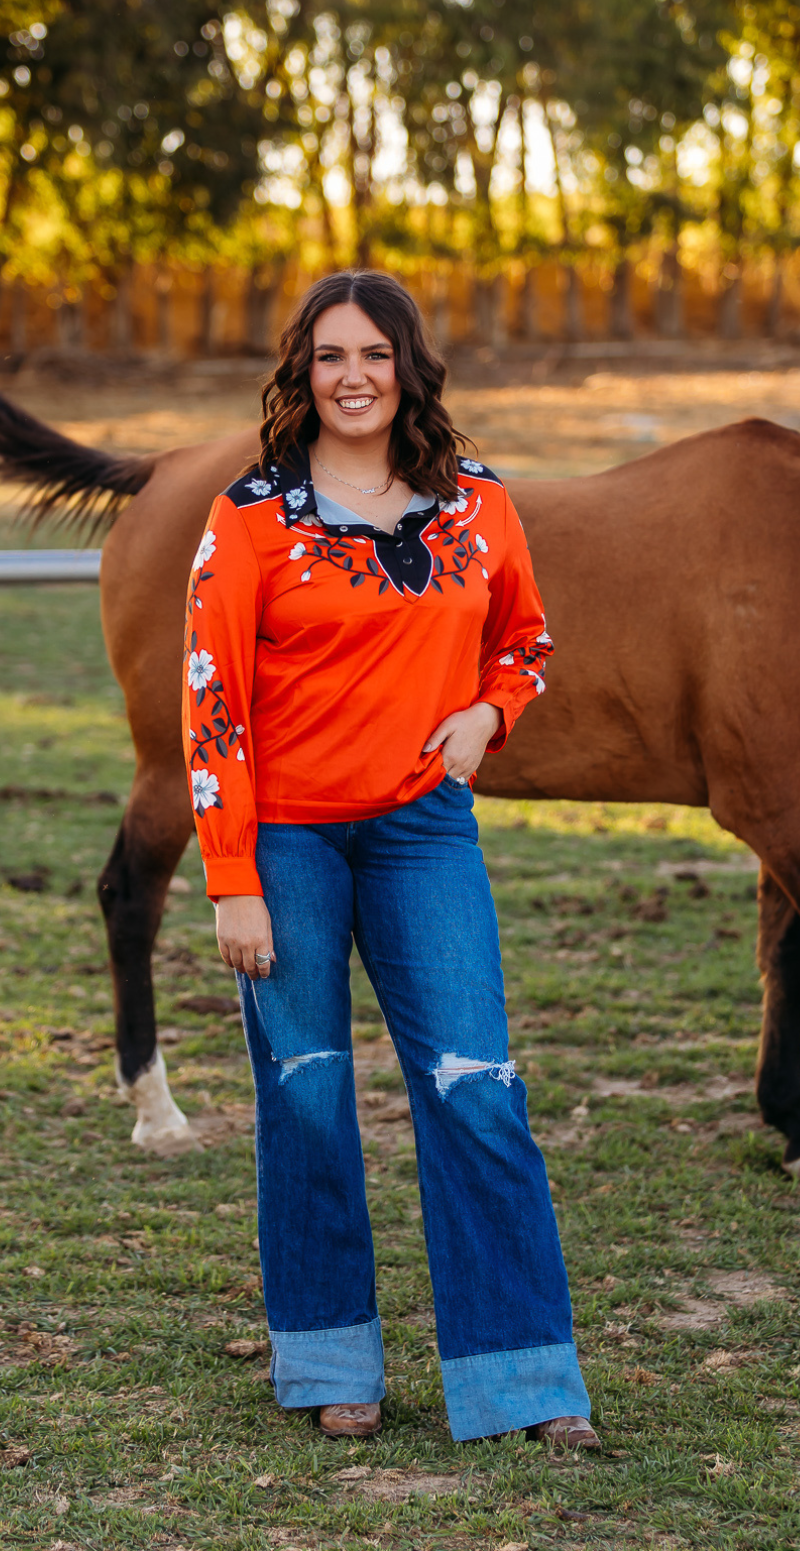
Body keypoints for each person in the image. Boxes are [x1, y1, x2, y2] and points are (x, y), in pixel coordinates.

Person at [182, 269, 596, 1449]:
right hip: (288, 841)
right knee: (306, 1098)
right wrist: (232, 879)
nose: (352, 376)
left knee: (476, 1090)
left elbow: (527, 638)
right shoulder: (249, 516)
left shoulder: (479, 504)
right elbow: (211, 700)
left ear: (409, 367)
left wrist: (490, 717)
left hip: (425, 833)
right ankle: (328, 1367)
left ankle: (523, 1376)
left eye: (373, 354)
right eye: (329, 356)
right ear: (302, 373)